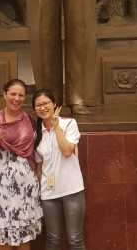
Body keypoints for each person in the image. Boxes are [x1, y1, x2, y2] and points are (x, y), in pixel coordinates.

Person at [0, 79, 42, 249]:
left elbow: (33, 150)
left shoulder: (28, 119)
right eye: (13, 94)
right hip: (0, 185)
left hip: (25, 184)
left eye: (21, 95)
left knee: (24, 238)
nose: (16, 98)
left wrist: (37, 175)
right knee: (1, 238)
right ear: (4, 95)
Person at [32, 88, 86, 250]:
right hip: (48, 193)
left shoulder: (69, 124)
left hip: (72, 190)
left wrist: (56, 128)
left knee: (75, 239)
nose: (43, 107)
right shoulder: (36, 134)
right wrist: (40, 190)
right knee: (52, 239)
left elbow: (67, 151)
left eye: (46, 103)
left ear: (54, 104)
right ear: (34, 109)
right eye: (38, 105)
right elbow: (39, 165)